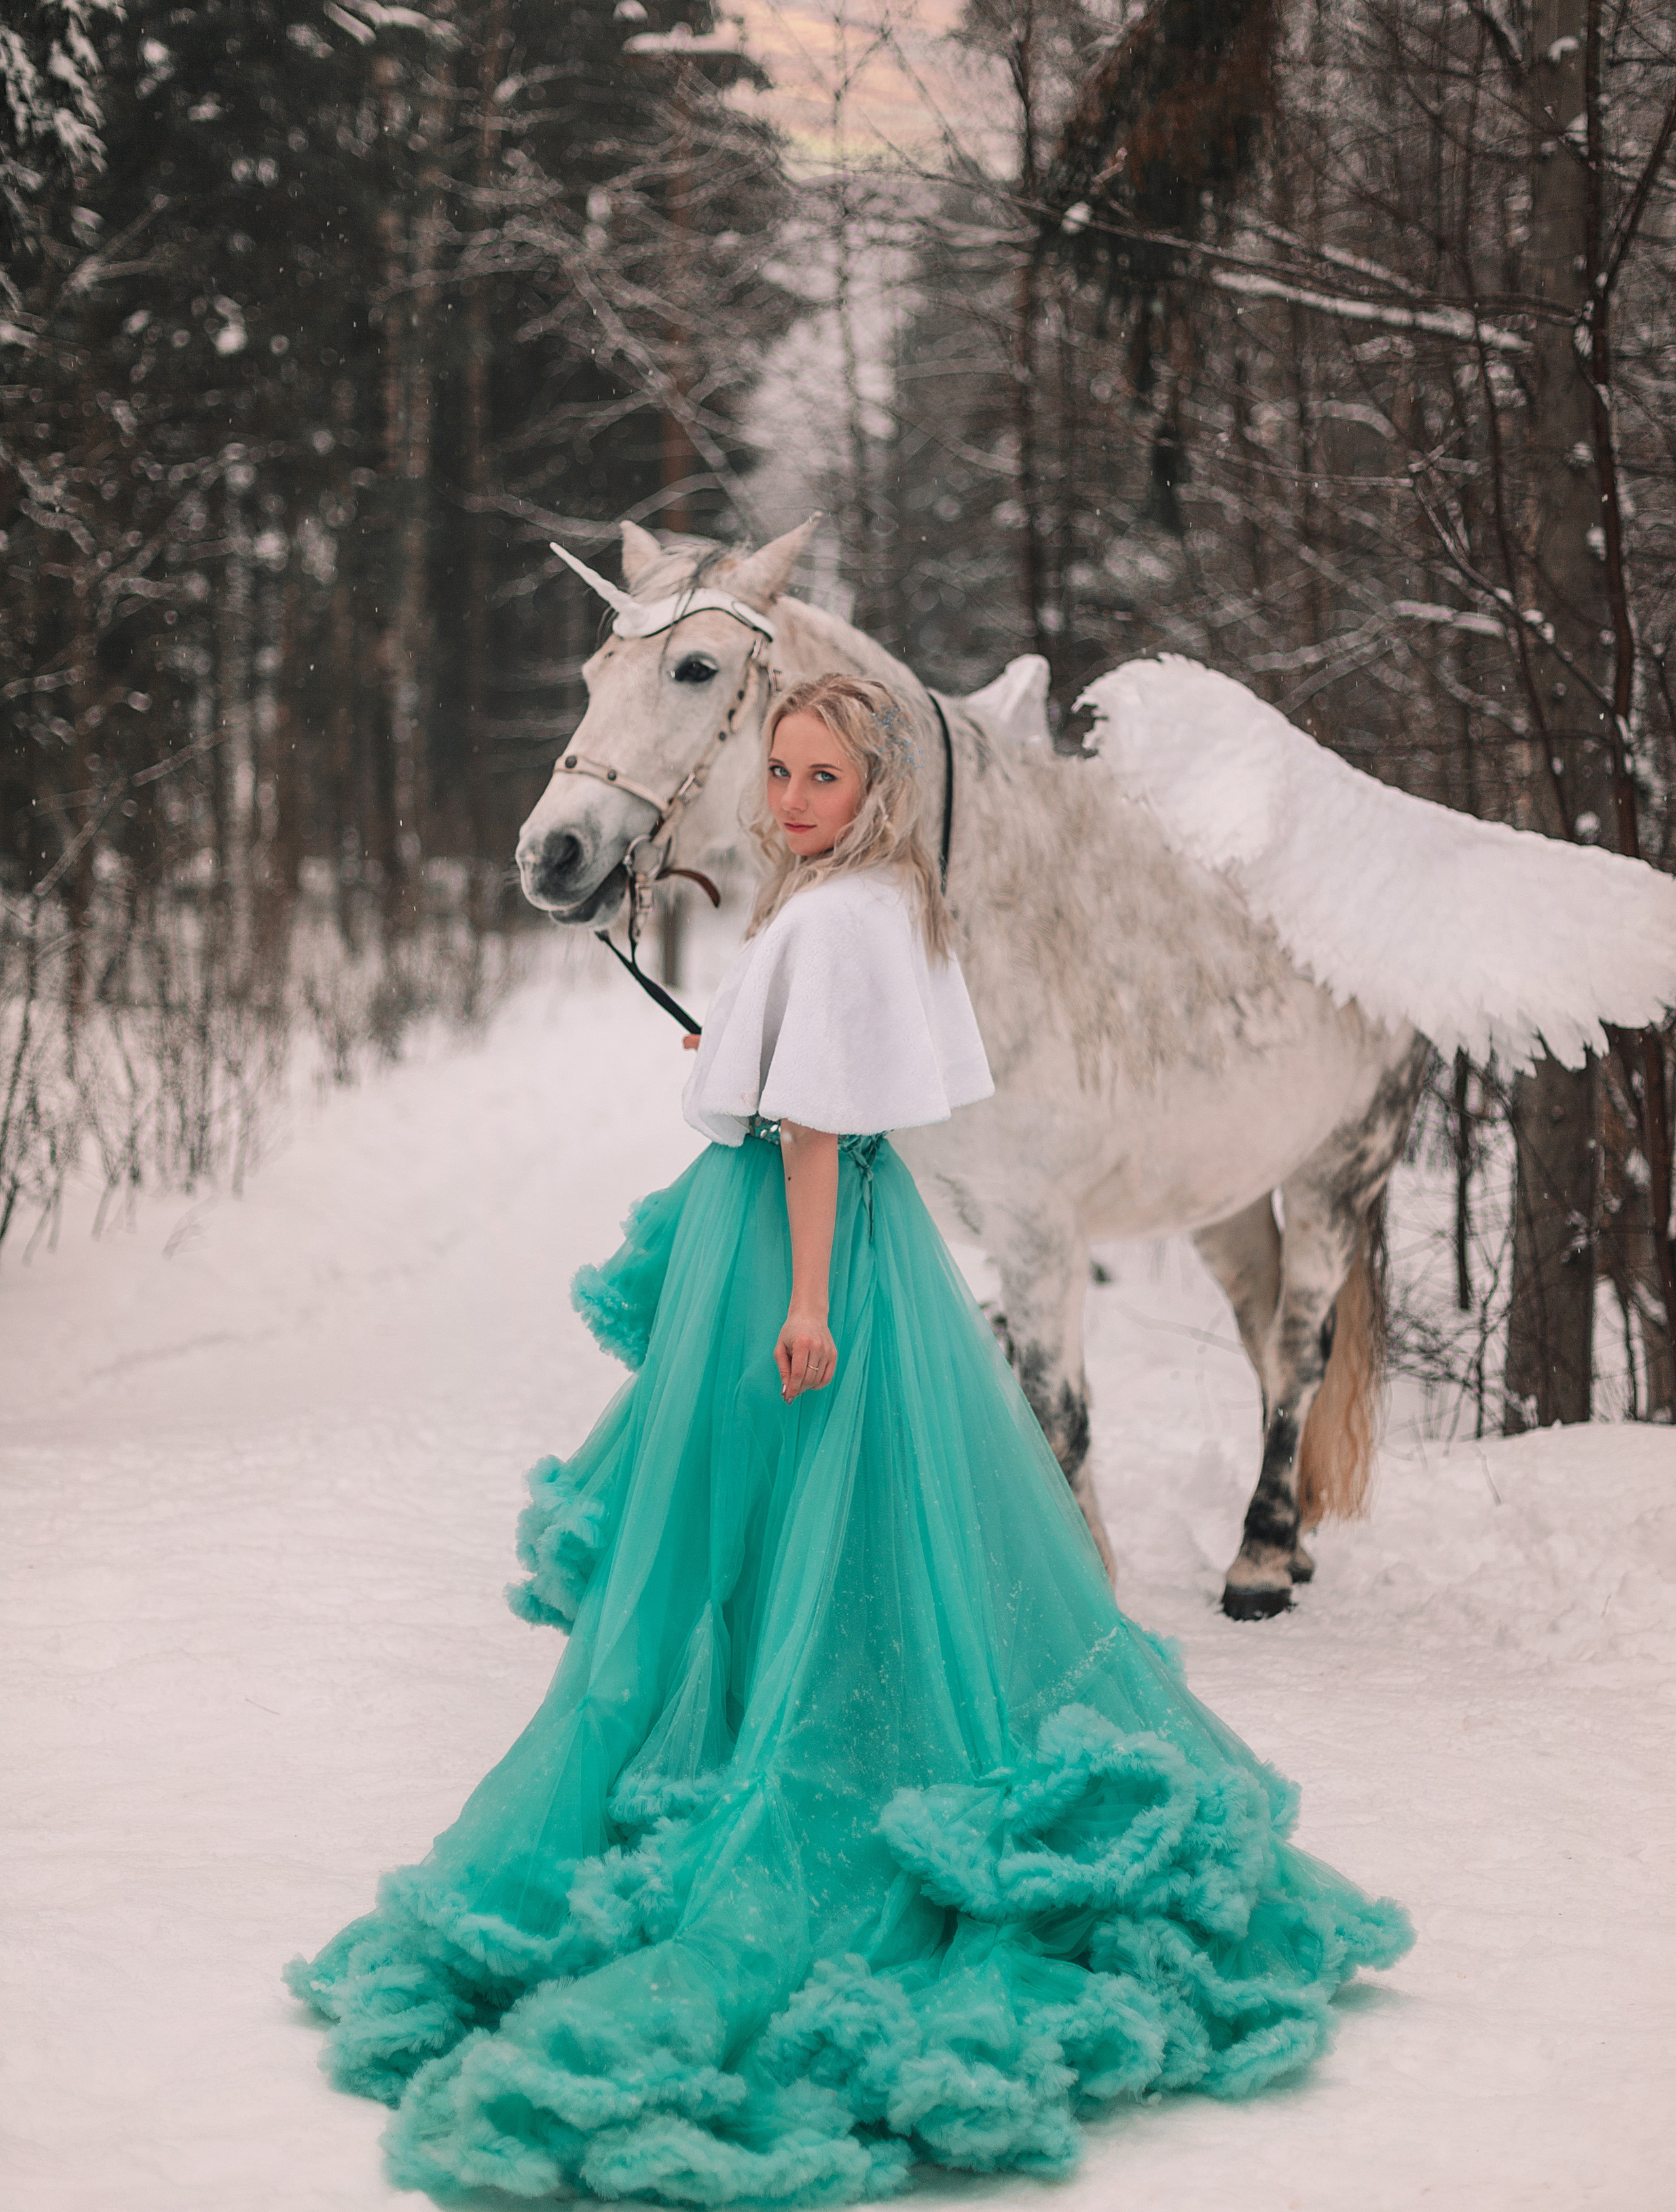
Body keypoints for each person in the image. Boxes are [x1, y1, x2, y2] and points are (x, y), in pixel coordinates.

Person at [287, 671, 1412, 2207]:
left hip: (797, 1248)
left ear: (875, 784)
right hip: (859, 1233)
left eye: (825, 776)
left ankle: (787, 1754)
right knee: (833, 1514)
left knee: (756, 1513)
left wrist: (803, 1295)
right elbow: (865, 1098)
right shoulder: (889, 904)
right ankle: (803, 1721)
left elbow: (815, 1125)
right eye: (785, 773)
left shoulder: (828, 917)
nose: (797, 799)